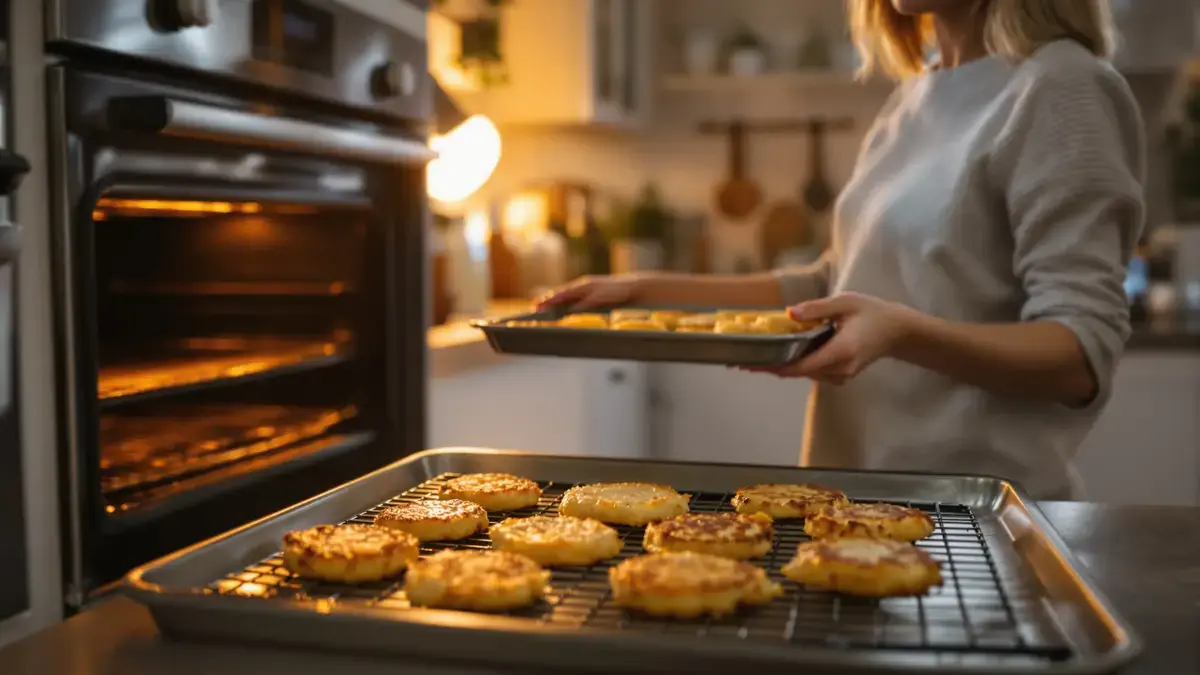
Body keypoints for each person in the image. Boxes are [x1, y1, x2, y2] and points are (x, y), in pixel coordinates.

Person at [539, 0, 1145, 500]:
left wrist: (900, 333)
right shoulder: (916, 95)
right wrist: (646, 290)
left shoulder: (1063, 87)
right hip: (850, 497)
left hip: (975, 512)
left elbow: (1079, 352)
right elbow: (837, 282)